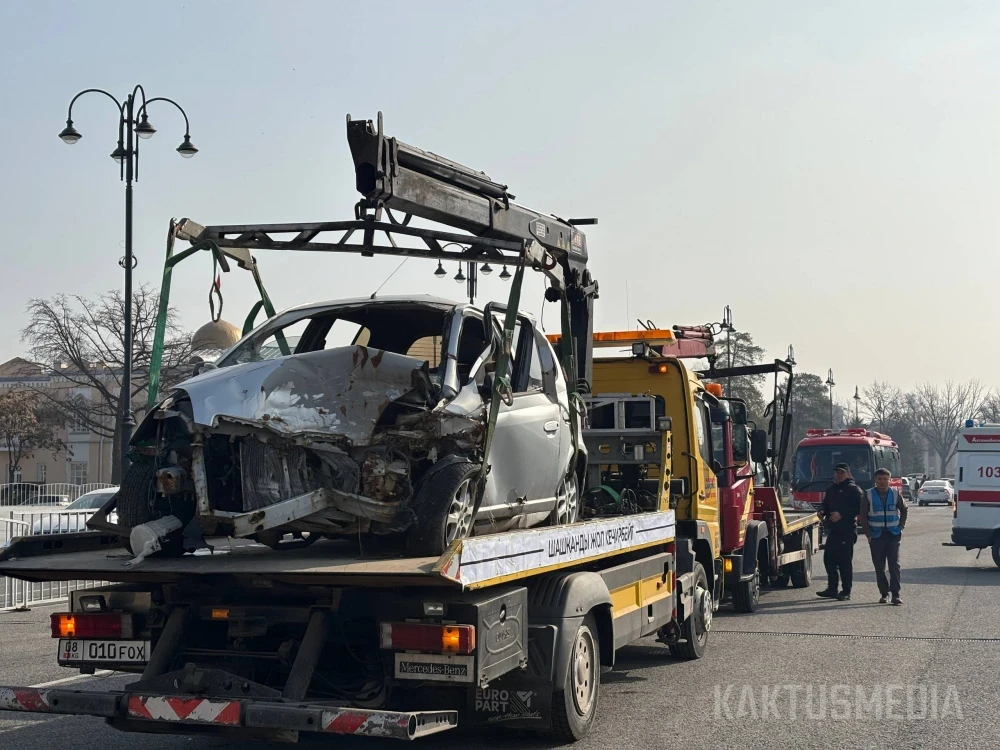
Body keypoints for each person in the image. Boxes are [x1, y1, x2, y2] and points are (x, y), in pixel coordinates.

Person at [816, 462, 863, 601]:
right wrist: (821, 511)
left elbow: (860, 508)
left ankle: (846, 591)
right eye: (837, 472)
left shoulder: (854, 489)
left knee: (844, 562)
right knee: (828, 559)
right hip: (833, 530)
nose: (839, 475)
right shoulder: (831, 488)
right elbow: (825, 504)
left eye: (842, 472)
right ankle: (832, 588)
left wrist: (842, 514)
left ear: (848, 473)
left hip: (847, 530)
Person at [860, 468, 907, 605]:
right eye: (880, 479)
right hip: (876, 536)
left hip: (893, 534)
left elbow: (904, 510)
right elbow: (863, 515)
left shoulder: (895, 493)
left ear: (890, 480)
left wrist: (901, 527)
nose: (882, 482)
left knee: (894, 565)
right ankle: (884, 593)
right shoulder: (868, 494)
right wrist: (868, 534)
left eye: (885, 479)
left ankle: (896, 595)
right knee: (879, 566)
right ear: (875, 480)